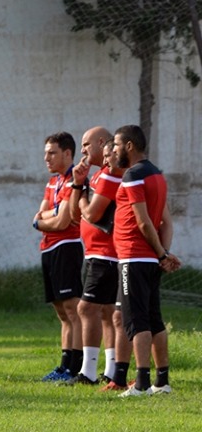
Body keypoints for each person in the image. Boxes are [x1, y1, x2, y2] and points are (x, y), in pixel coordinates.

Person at [109, 125, 181, 397]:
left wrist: (162, 254)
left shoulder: (133, 175)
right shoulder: (158, 176)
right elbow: (165, 222)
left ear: (129, 146)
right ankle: (162, 382)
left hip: (133, 256)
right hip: (149, 258)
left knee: (136, 321)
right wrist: (162, 254)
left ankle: (140, 384)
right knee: (154, 320)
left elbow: (143, 221)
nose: (113, 150)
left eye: (116, 145)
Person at [69, 127, 123, 385]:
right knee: (106, 312)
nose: (82, 150)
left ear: (102, 143)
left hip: (107, 254)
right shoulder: (98, 175)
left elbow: (89, 214)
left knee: (86, 307)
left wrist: (82, 195)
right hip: (94, 252)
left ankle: (87, 373)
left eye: (86, 144)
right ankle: (111, 371)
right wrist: (78, 184)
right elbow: (74, 215)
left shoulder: (111, 176)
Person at [33, 132, 83, 382]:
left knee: (73, 310)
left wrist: (44, 220)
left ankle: (76, 367)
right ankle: (63, 366)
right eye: (45, 153)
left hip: (67, 247)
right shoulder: (52, 183)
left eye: (52, 153)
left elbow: (63, 222)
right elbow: (39, 215)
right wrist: (45, 218)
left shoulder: (75, 180)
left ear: (67, 153)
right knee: (61, 311)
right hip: (48, 249)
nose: (46, 158)